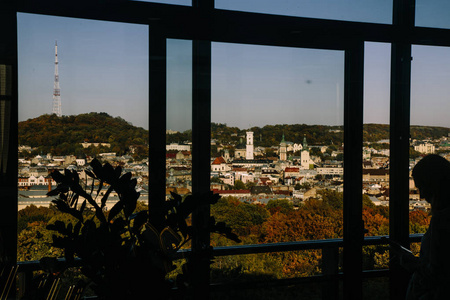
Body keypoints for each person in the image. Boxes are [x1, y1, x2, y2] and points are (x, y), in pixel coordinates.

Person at [395, 154, 450, 300]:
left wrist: (413, 263)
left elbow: (437, 273)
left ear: (434, 185)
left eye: (422, 187)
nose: (421, 196)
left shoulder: (441, 220)